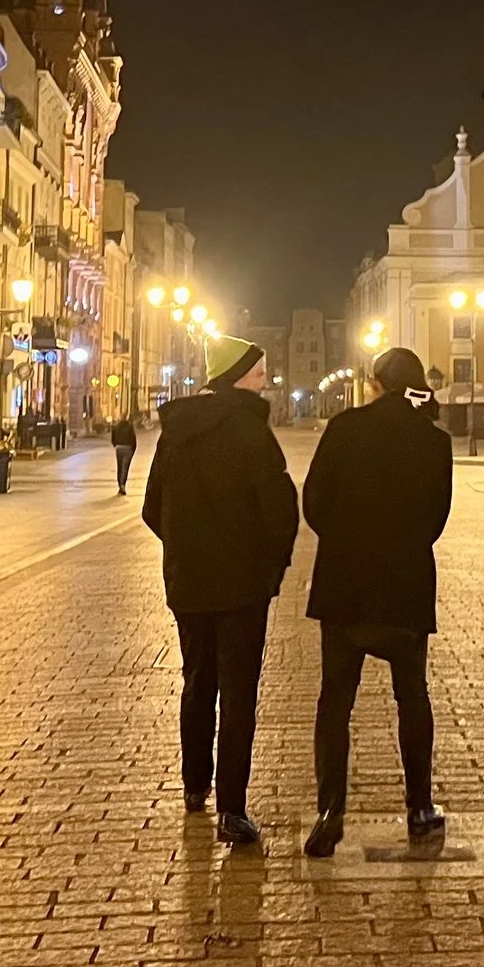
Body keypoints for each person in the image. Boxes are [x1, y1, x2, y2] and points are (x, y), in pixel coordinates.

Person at [141, 334, 297, 848]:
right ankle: (232, 807)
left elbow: (151, 508)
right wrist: (269, 565)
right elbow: (280, 509)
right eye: (259, 373)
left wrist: (187, 548)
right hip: (243, 586)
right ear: (235, 378)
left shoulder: (176, 432)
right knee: (238, 693)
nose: (266, 381)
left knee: (197, 680)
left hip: (189, 582)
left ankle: (193, 787)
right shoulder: (251, 433)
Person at [297, 346, 453, 858]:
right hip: (405, 582)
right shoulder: (434, 441)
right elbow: (436, 520)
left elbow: (314, 502)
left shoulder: (344, 429)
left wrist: (346, 537)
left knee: (335, 701)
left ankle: (331, 808)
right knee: (412, 696)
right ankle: (420, 807)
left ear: (375, 383)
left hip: (344, 581)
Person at [108, 411, 139, 495]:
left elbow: (112, 439)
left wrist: (116, 446)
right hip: (128, 448)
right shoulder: (130, 427)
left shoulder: (116, 426)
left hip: (119, 448)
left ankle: (120, 485)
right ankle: (123, 485)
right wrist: (133, 449)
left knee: (120, 467)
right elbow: (133, 439)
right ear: (127, 417)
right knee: (125, 468)